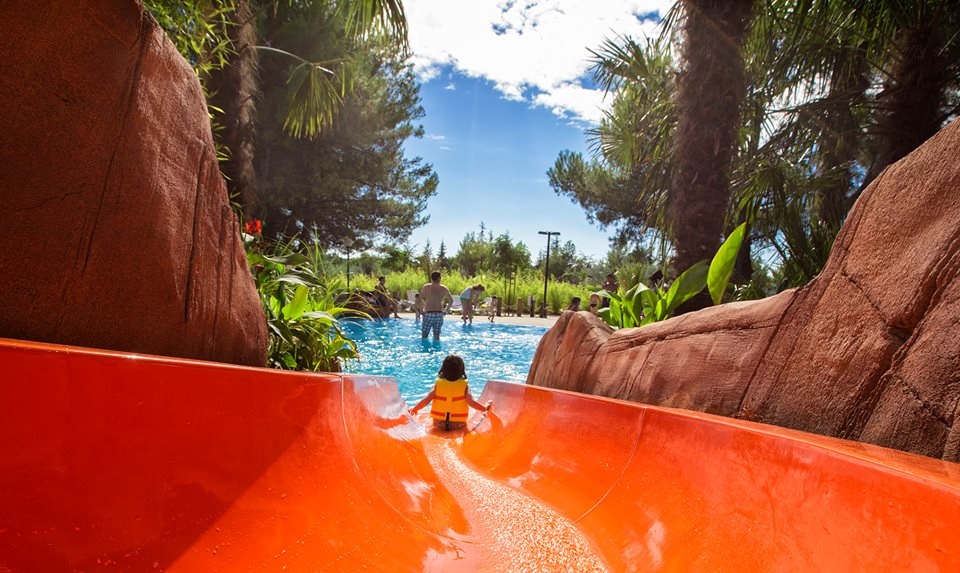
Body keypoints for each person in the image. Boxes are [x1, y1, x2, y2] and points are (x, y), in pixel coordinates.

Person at [409, 355, 491, 430]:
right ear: (461, 370)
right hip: (458, 424)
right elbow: (471, 402)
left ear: (443, 369)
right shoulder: (464, 386)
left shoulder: (438, 384)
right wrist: (484, 409)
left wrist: (414, 409)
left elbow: (427, 400)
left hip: (438, 423)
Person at [420, 271, 453, 340]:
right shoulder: (444, 288)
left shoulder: (426, 287)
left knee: (424, 336)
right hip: (439, 314)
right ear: (439, 278)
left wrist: (421, 311)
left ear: (432, 278)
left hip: (428, 313)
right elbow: (451, 301)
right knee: (437, 336)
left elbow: (419, 299)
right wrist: (446, 311)